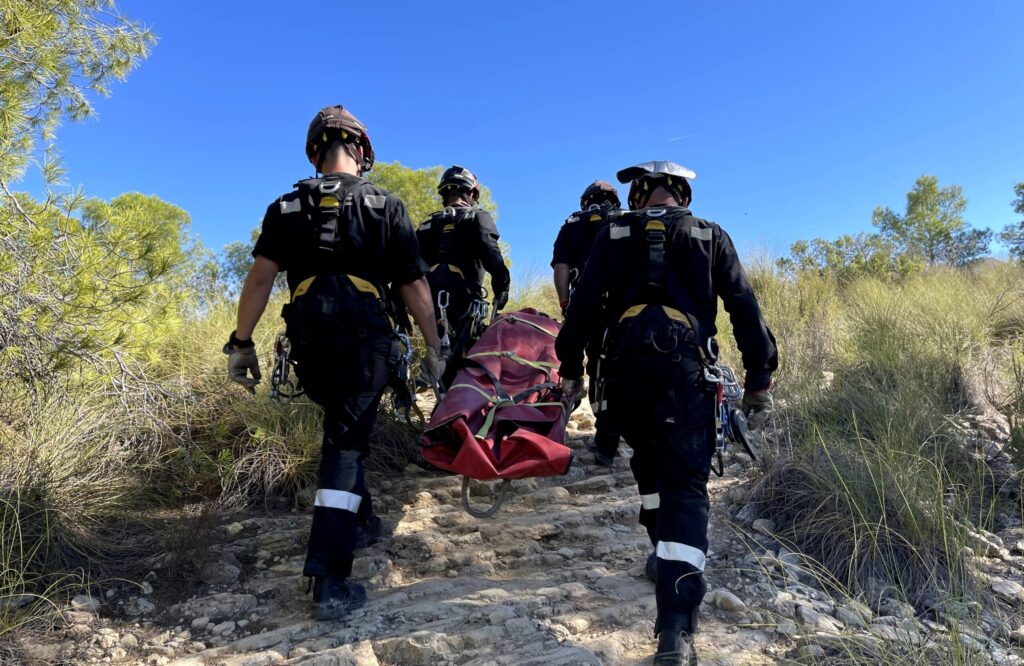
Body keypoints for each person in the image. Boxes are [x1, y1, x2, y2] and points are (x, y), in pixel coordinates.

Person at [223, 104, 444, 621]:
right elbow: (414, 285)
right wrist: (435, 348)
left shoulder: (285, 206)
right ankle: (328, 579)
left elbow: (260, 279)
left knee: (342, 429)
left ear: (314, 154)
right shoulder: (385, 204)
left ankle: (361, 522)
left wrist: (241, 343)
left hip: (309, 339)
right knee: (344, 446)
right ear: (362, 152)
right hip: (364, 335)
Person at [555, 161, 777, 665]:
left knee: (649, 465)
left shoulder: (612, 234)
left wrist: (570, 367)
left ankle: (661, 551)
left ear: (637, 196)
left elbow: (582, 308)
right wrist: (759, 377)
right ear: (683, 197)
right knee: (685, 490)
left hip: (624, 377)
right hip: (686, 375)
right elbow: (744, 306)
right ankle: (675, 630)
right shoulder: (709, 234)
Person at [416, 165, 511, 387]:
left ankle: (440, 391)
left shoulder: (427, 225)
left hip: (428, 302)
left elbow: (408, 266)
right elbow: (492, 256)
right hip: (464, 302)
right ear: (471, 193)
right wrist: (502, 288)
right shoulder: (478, 217)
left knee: (440, 352)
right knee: (464, 359)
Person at [551, 180, 623, 466]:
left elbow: (561, 266)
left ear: (585, 201)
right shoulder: (627, 220)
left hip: (587, 303)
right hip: (626, 306)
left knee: (596, 366)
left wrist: (565, 302)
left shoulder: (571, 224)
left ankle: (604, 443)